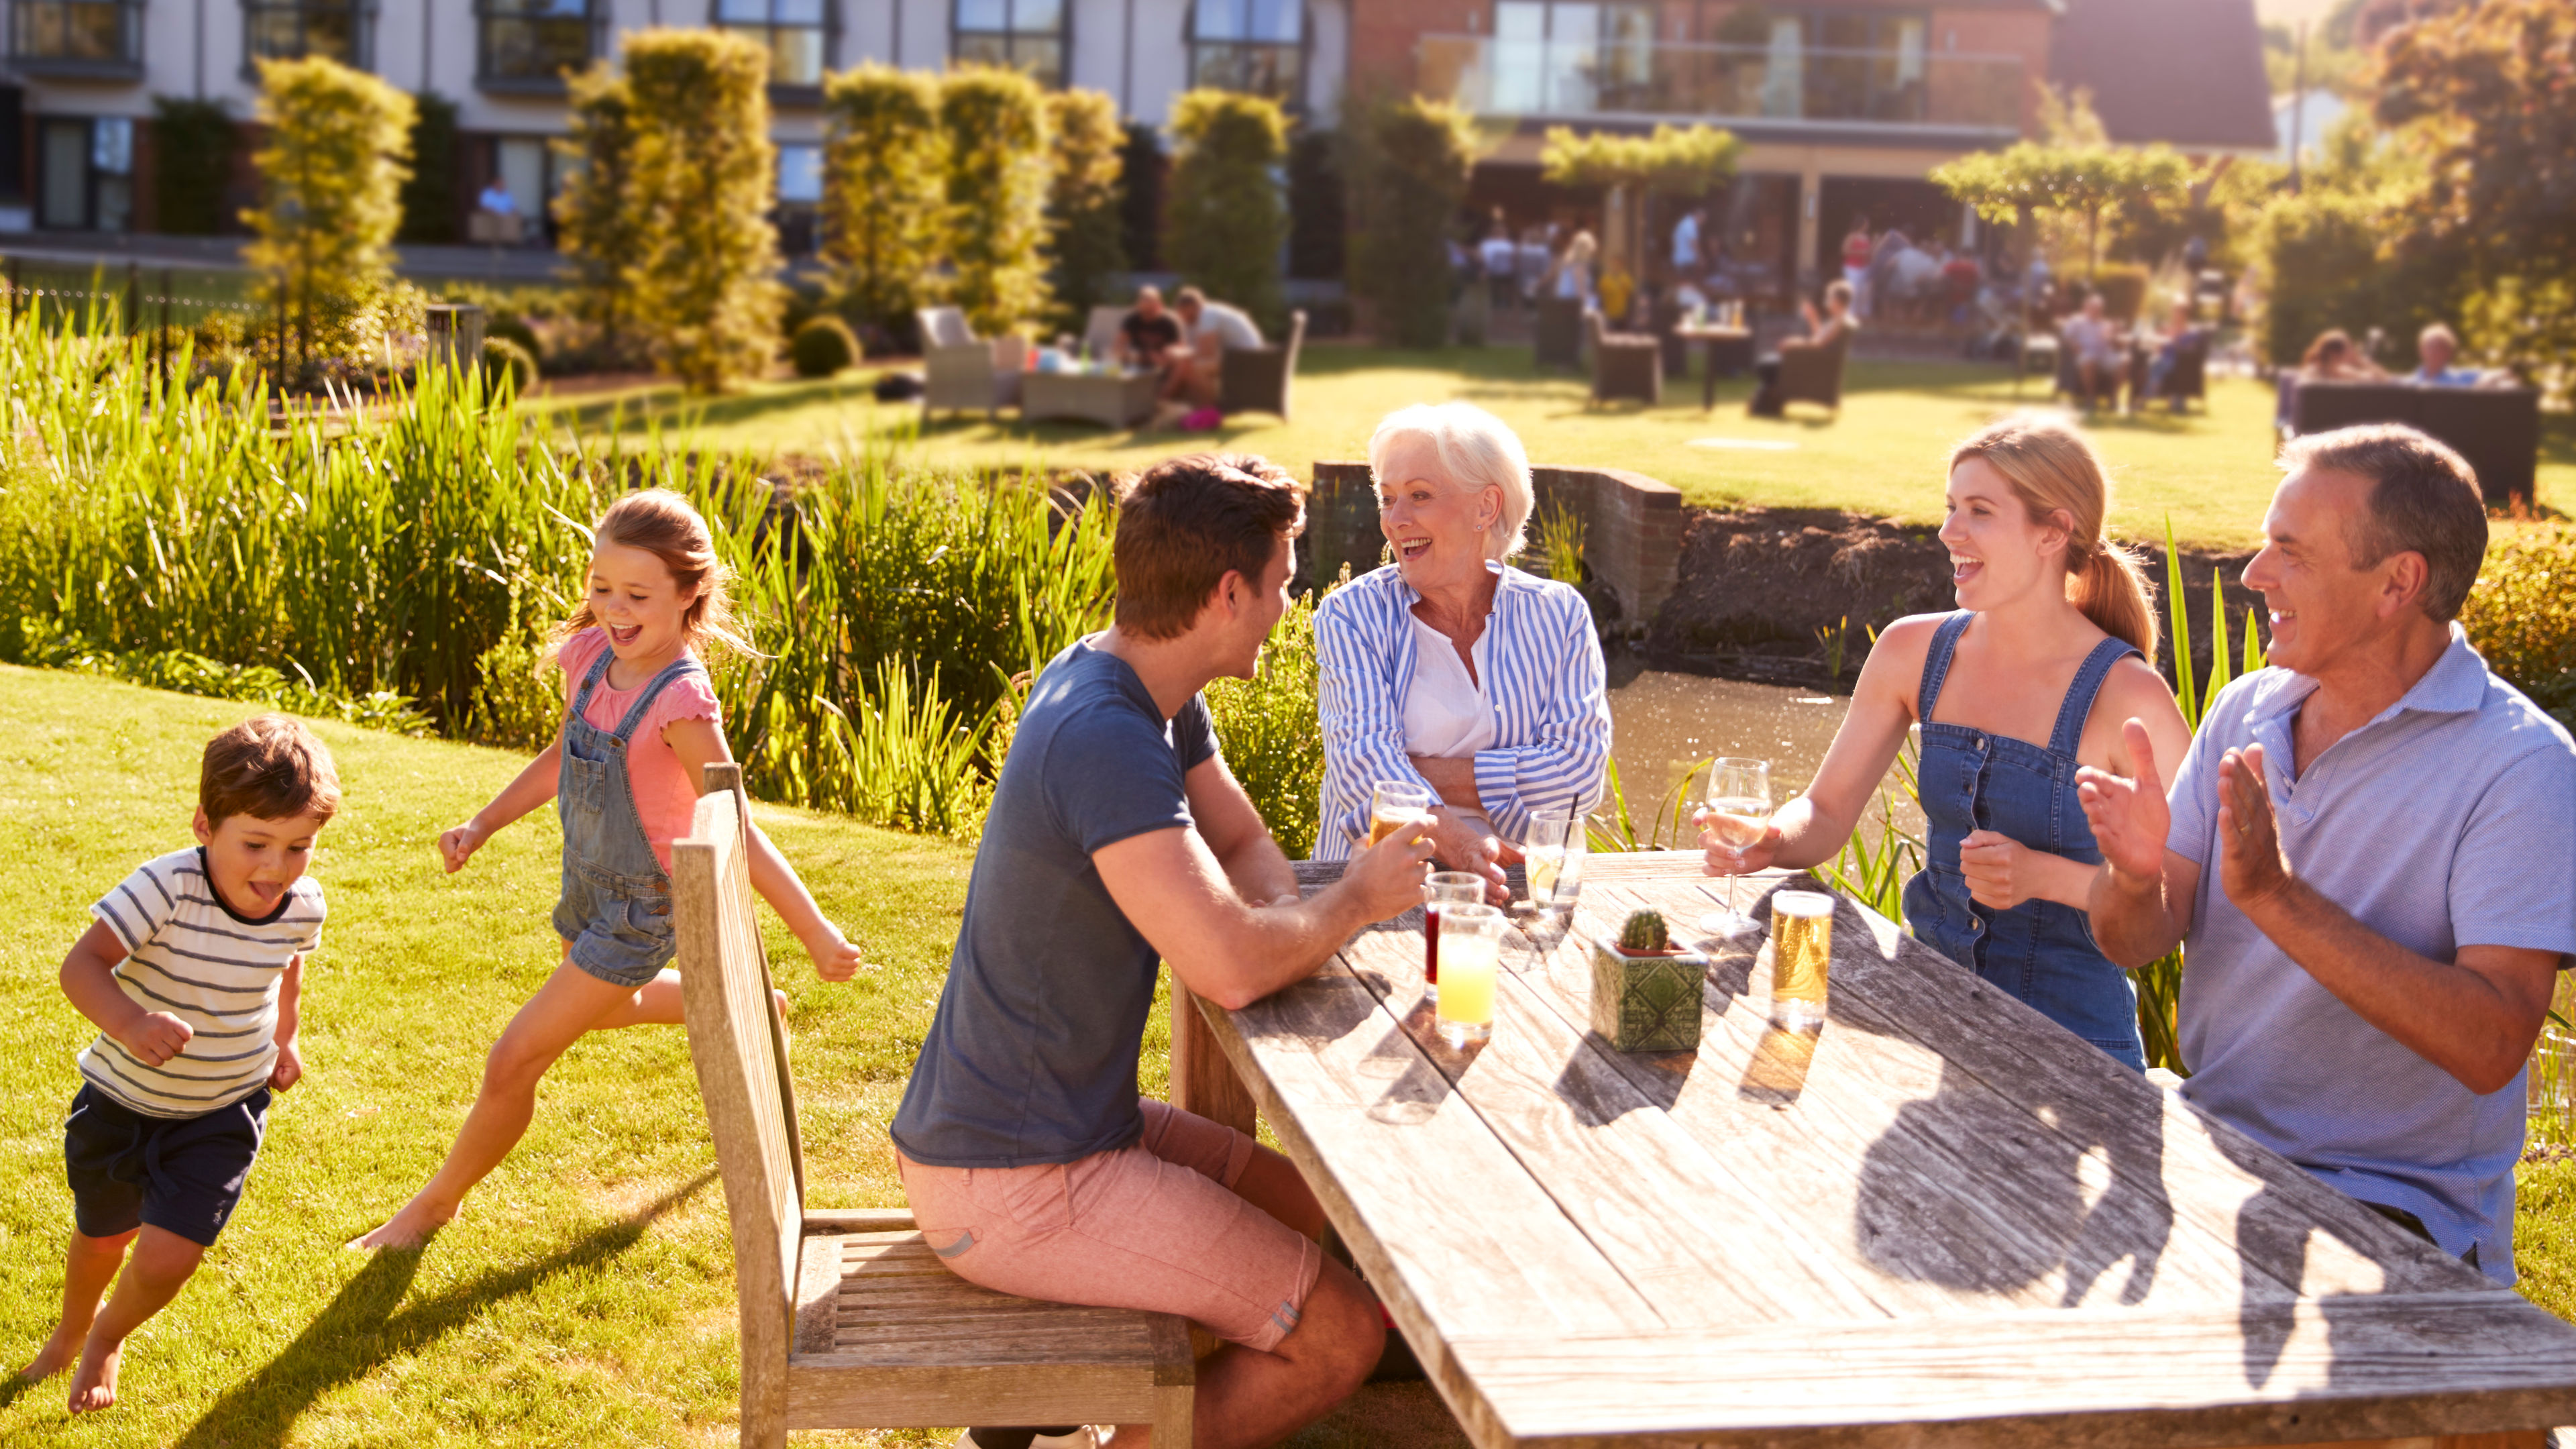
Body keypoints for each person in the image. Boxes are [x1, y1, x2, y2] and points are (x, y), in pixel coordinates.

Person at [892, 453, 1417, 1449]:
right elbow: (1225, 970)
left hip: (1055, 1124)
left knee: (1308, 1203)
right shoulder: (1106, 734)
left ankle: (1056, 1409)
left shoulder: (1135, 682)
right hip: (1017, 1179)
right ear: (1229, 592)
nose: (1286, 611)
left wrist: (1273, 925)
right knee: (1339, 1337)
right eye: (1283, 587)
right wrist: (1345, 907)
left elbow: (1246, 842)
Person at [2079, 424, 2576, 1279]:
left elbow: (2493, 1043)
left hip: (2392, 1203)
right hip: (2214, 1142)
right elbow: (2135, 940)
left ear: (2397, 584)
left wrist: (2277, 895)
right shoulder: (2245, 711)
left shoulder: (2522, 767)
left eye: (2291, 552)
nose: (2254, 574)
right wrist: (2130, 876)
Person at [354, 490, 863, 1249]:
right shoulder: (591, 655)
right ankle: (752, 1006)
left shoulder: (682, 701)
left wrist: (816, 929)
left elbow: (735, 822)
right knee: (612, 1008)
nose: (614, 610)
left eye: (636, 595)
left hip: (641, 905)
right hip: (588, 882)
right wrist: (484, 822)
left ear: (690, 594)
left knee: (513, 1058)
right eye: (600, 589)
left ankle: (433, 1206)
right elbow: (565, 756)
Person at [1703, 416, 2188, 1070]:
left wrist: (2045, 877)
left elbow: (2177, 908)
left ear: (2054, 531)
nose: (1948, 532)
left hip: (2075, 1055)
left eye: (1980, 512)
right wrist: (1772, 839)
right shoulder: (1913, 650)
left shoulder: (2129, 697)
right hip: (1925, 1023)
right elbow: (1825, 813)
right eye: (1951, 507)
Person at [21, 716, 337, 1411]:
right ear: (205, 825)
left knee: (170, 1256)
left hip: (223, 1108)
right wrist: (131, 1023)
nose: (276, 868)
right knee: (104, 1238)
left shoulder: (302, 904)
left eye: (298, 847)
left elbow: (288, 968)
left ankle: (106, 1338)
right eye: (255, 843)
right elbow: (82, 966)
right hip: (120, 1102)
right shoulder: (165, 887)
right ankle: (68, 1335)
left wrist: (286, 1039)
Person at [1315, 404, 1610, 886]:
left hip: (1521, 885)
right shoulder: (1353, 614)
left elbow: (1579, 778)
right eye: (1388, 499)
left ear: (1485, 507)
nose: (1396, 519)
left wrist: (1414, 770)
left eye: (1420, 495)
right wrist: (1457, 839)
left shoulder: (1559, 614)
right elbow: (1363, 771)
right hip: (1377, 889)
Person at [1747, 279, 1856, 418]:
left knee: (1765, 366)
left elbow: (1818, 345)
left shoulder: (1839, 322)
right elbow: (1819, 339)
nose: (1827, 301)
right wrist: (1813, 319)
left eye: (1829, 297)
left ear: (1837, 300)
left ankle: (1768, 405)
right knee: (1768, 364)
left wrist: (1793, 344)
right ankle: (1767, 404)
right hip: (1811, 361)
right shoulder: (1837, 320)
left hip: (1807, 365)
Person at [1166, 286, 1263, 409]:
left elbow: (1207, 353)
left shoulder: (1208, 314)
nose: (1181, 318)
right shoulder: (1195, 320)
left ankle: (1211, 410)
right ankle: (1189, 407)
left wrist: (1180, 354)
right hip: (1234, 357)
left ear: (1192, 308)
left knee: (1197, 369)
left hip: (1247, 359)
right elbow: (1192, 348)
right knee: (1188, 366)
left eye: (1183, 313)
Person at [2059, 292, 2125, 411]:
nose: (2097, 311)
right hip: (2085, 352)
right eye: (2094, 308)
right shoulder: (2077, 321)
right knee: (2089, 361)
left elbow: (2113, 341)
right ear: (2086, 308)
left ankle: (2113, 397)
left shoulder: (2105, 324)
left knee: (2125, 362)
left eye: (2099, 309)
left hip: (2104, 354)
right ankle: (2091, 398)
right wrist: (2074, 344)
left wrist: (2113, 337)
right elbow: (2066, 336)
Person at [2139, 301, 2208, 413]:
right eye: (2174, 312)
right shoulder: (2168, 329)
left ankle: (2146, 398)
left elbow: (2190, 350)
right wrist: (2159, 342)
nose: (2175, 315)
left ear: (2184, 314)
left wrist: (2175, 342)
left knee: (2156, 365)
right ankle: (2157, 397)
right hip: (2164, 361)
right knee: (2154, 363)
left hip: (2180, 363)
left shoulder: (2191, 332)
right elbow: (2160, 348)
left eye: (2178, 312)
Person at [1116, 285, 1183, 374]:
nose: (1147, 314)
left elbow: (1181, 350)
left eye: (1151, 310)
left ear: (1159, 306)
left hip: (1164, 366)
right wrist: (1141, 357)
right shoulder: (1132, 320)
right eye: (1144, 311)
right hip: (1137, 364)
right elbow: (1117, 348)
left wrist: (1168, 354)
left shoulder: (1169, 322)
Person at [2410, 323, 2485, 387]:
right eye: (2430, 346)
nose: (2434, 351)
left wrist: (2481, 385)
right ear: (2421, 350)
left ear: (2449, 352)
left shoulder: (2461, 378)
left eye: (2439, 347)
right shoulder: (2410, 382)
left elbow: (2492, 376)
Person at [2299, 328, 2386, 382]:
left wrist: (2363, 362)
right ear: (2334, 354)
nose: (2354, 351)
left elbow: (2382, 380)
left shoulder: (2342, 371)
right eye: (2350, 347)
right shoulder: (2313, 372)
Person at [1480, 211, 1518, 313]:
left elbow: (1482, 258)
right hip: (1501, 271)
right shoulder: (1508, 245)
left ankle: (1498, 301)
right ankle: (1502, 301)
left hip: (1495, 271)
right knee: (1499, 281)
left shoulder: (1506, 244)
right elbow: (1514, 259)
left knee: (1498, 281)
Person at [1550, 229, 1599, 308]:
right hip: (1573, 309)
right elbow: (1581, 294)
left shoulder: (1568, 262)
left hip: (1564, 306)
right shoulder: (1579, 266)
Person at [1840, 217, 1874, 317]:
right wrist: (1860, 253)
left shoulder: (1866, 237)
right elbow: (1845, 251)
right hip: (1852, 268)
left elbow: (1870, 252)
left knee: (1863, 292)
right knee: (1853, 291)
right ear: (1861, 224)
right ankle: (1850, 314)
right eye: (1866, 224)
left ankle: (1862, 315)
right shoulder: (1851, 236)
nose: (1868, 226)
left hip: (1864, 268)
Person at [1672, 205, 1705, 280]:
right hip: (1686, 262)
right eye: (1703, 220)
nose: (1702, 223)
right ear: (1699, 216)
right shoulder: (1690, 225)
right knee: (1687, 284)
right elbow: (1693, 243)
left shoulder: (1684, 223)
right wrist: (1700, 259)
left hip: (1681, 260)